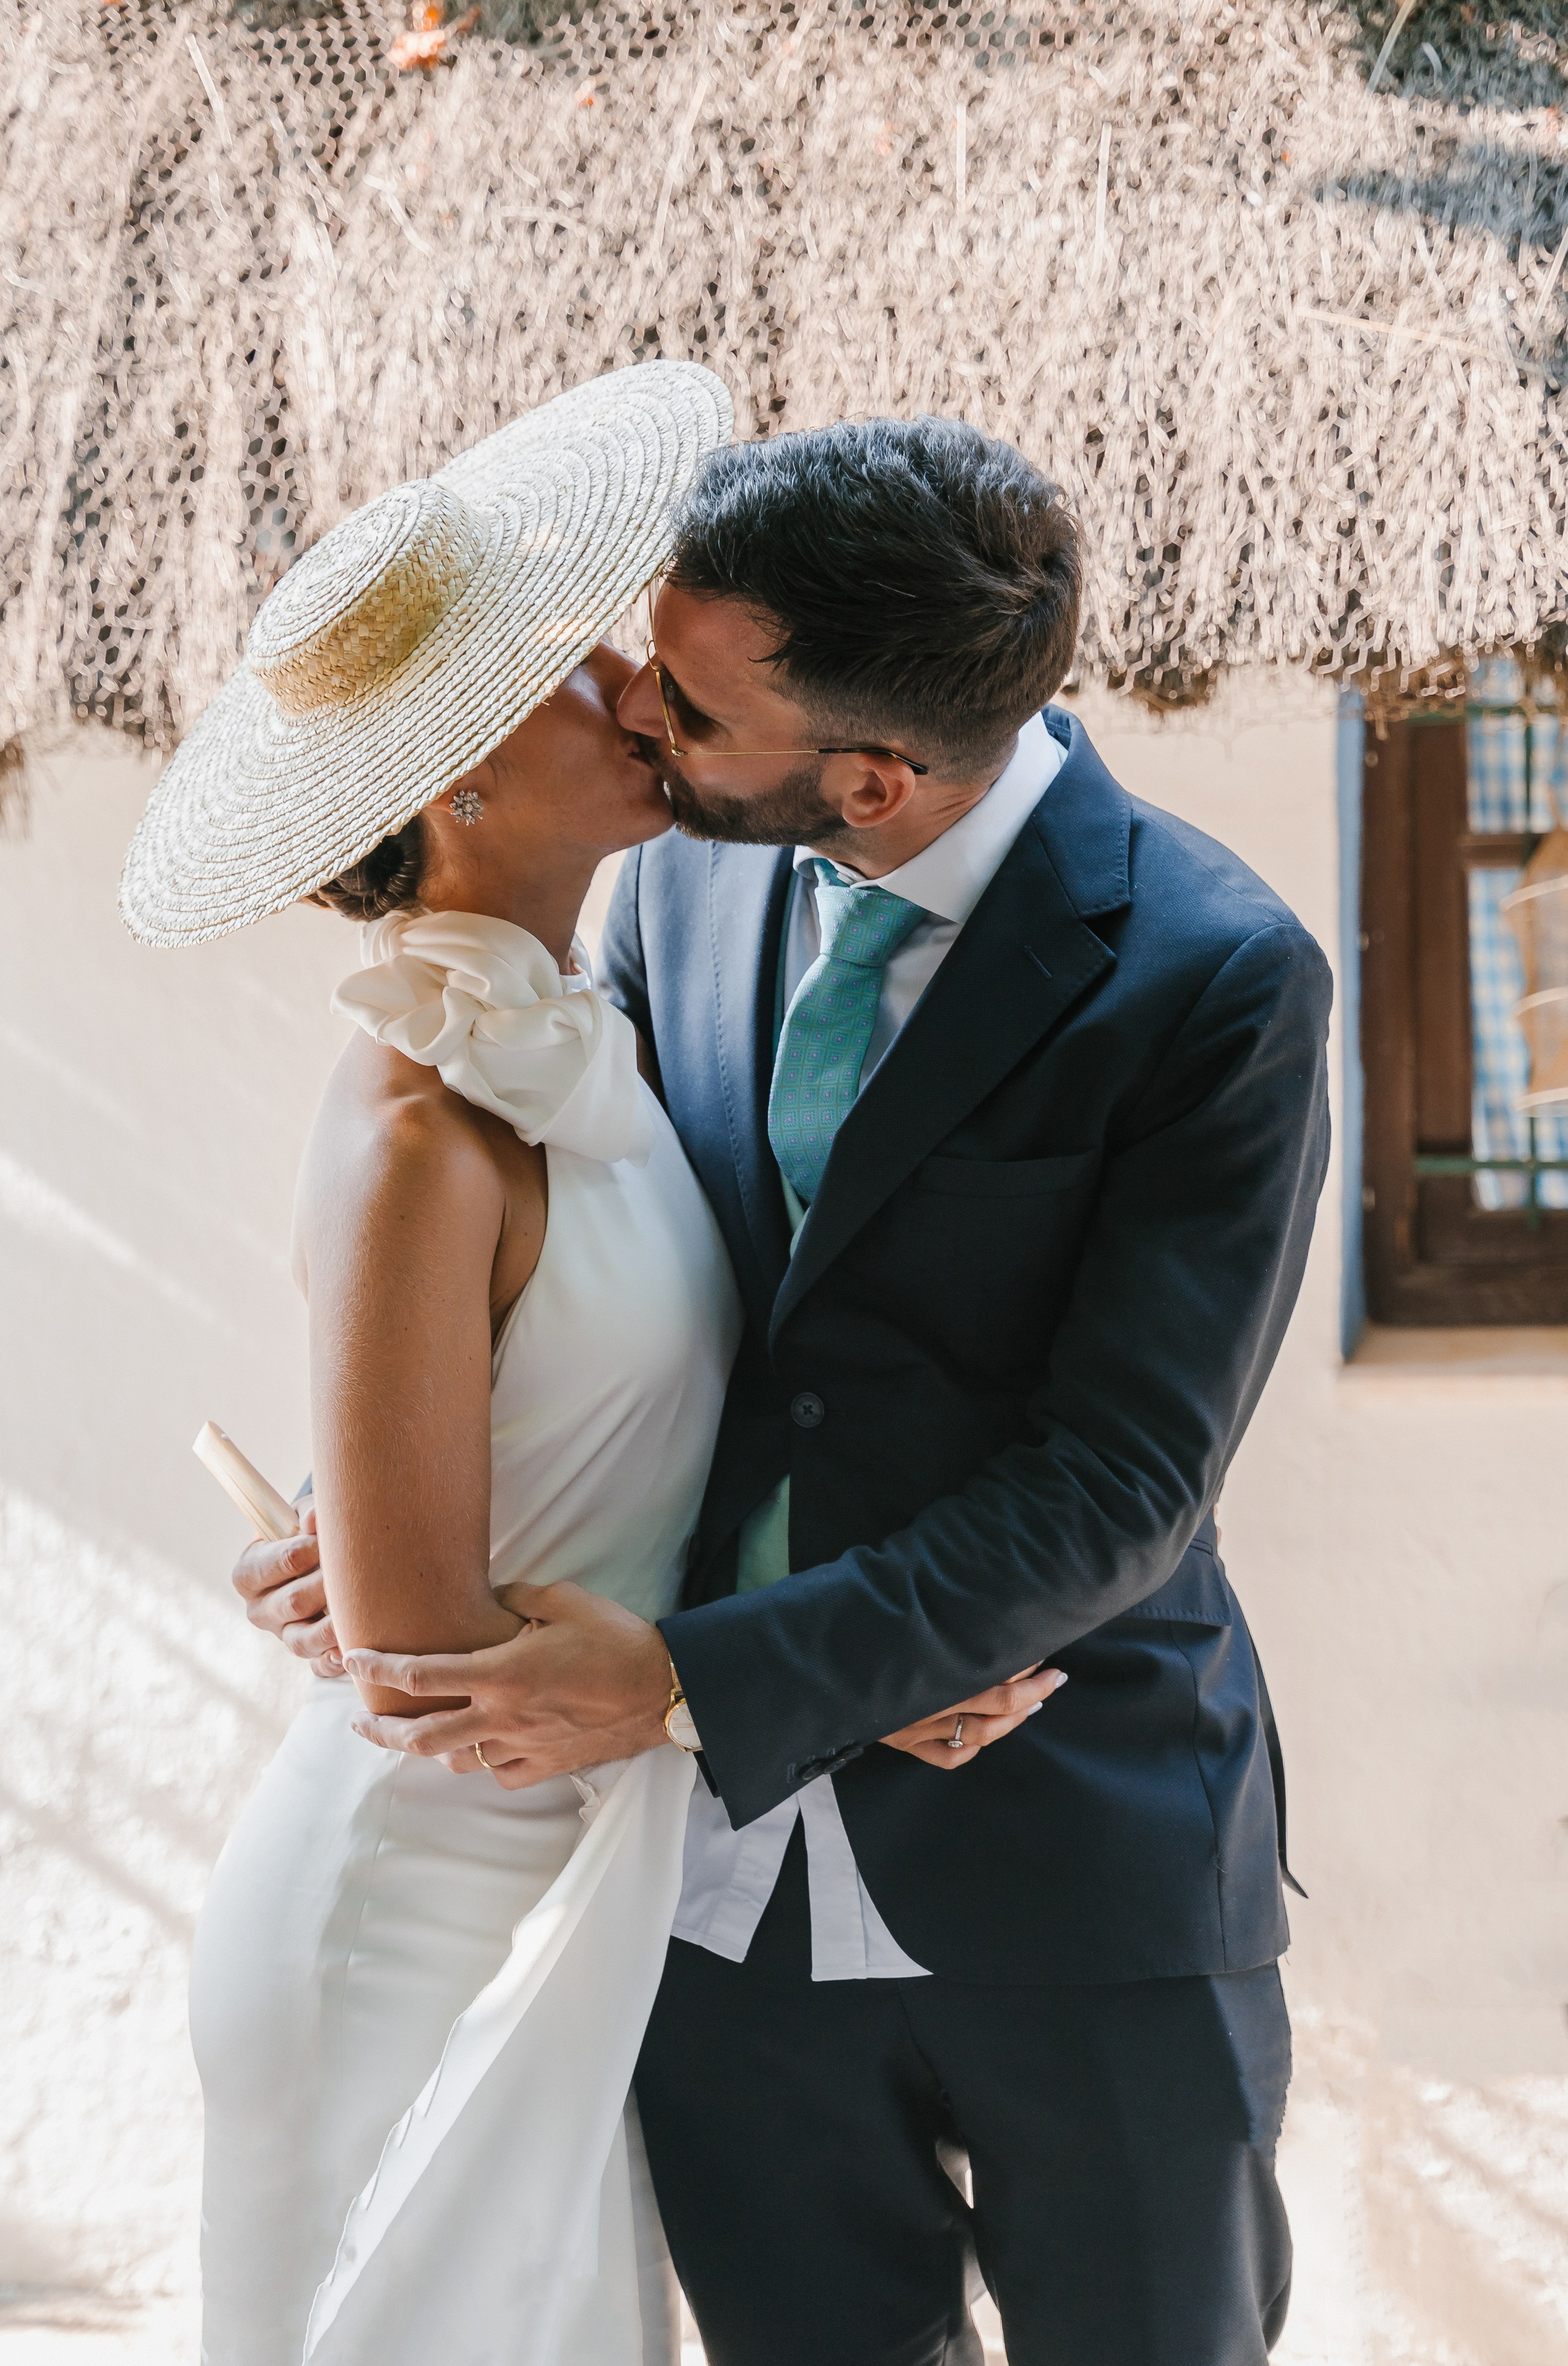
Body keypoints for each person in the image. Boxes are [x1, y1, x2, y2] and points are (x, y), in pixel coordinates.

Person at [298, 414, 1333, 2365]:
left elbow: (1122, 1480)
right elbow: (619, 1281)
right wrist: (378, 1485)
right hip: (707, 1908)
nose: (633, 718)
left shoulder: (1217, 975)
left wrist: (701, 1679)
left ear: (867, 773)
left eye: (686, 710)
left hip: (1078, 1853)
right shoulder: (684, 880)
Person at [128, 366, 1046, 2366]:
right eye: (562, 677)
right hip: (412, 1916)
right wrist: (851, 1701)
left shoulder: (584, 1035)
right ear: (455, 776)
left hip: (581, 1889)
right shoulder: (415, 1131)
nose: (631, 685)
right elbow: (426, 1654)